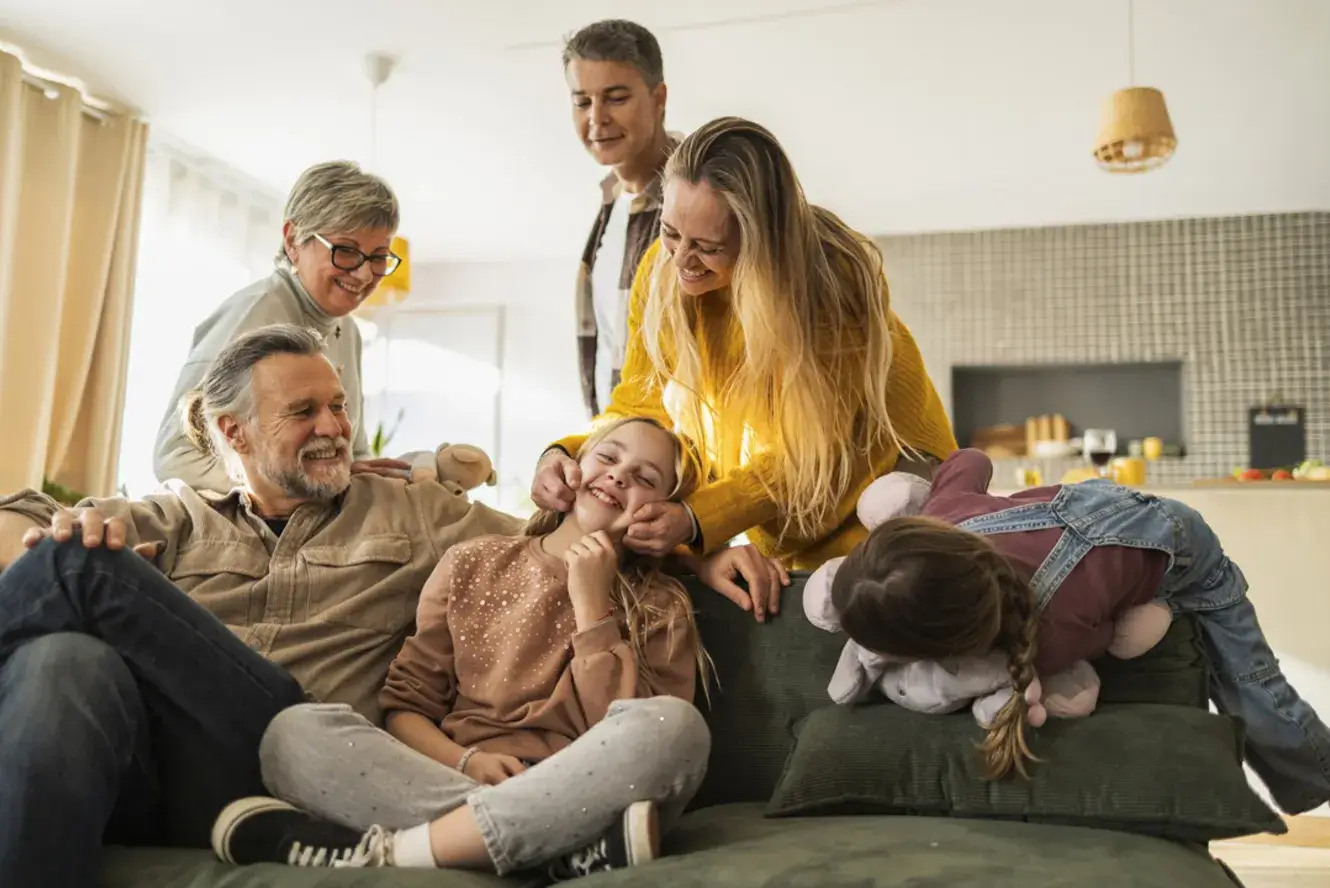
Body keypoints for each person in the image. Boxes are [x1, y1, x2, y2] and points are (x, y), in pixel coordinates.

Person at [0, 324, 520, 888]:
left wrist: (564, 466)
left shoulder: (413, 511)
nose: (335, 427)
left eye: (338, 407)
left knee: (78, 566)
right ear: (234, 432)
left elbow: (544, 543)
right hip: (162, 777)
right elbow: (27, 515)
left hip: (294, 754)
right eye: (304, 412)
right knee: (64, 659)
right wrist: (33, 529)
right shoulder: (177, 518)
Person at [208, 417, 711, 879]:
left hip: (578, 785)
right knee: (294, 733)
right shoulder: (473, 561)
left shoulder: (662, 605)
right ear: (573, 467)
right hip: (454, 772)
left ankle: (397, 852)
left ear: (662, 513)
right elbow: (406, 710)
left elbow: (620, 730)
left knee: (675, 728)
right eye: (608, 457)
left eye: (645, 478)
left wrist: (591, 606)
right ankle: (557, 849)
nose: (620, 475)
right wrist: (467, 762)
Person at [533, 116, 957, 618]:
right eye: (671, 233)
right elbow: (642, 404)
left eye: (708, 248)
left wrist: (694, 518)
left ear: (761, 243)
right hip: (783, 511)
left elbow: (801, 456)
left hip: (887, 482)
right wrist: (568, 451)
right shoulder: (662, 270)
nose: (683, 261)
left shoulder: (829, 288)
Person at [829, 447, 1330, 815]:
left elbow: (1108, 631)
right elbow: (971, 459)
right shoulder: (947, 512)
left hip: (1181, 547)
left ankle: (1318, 782)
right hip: (1101, 503)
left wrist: (1157, 603)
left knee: (1251, 684)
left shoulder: (1050, 637)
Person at [153, 160, 409, 493]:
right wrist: (293, 490)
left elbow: (352, 457)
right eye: (346, 251)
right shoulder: (253, 315)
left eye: (378, 257)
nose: (364, 274)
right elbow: (175, 457)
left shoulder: (349, 330)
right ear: (293, 239)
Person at [564, 20, 679, 419]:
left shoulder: (705, 193)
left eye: (615, 98)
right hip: (615, 445)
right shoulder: (610, 204)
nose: (596, 118)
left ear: (658, 98)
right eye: (582, 102)